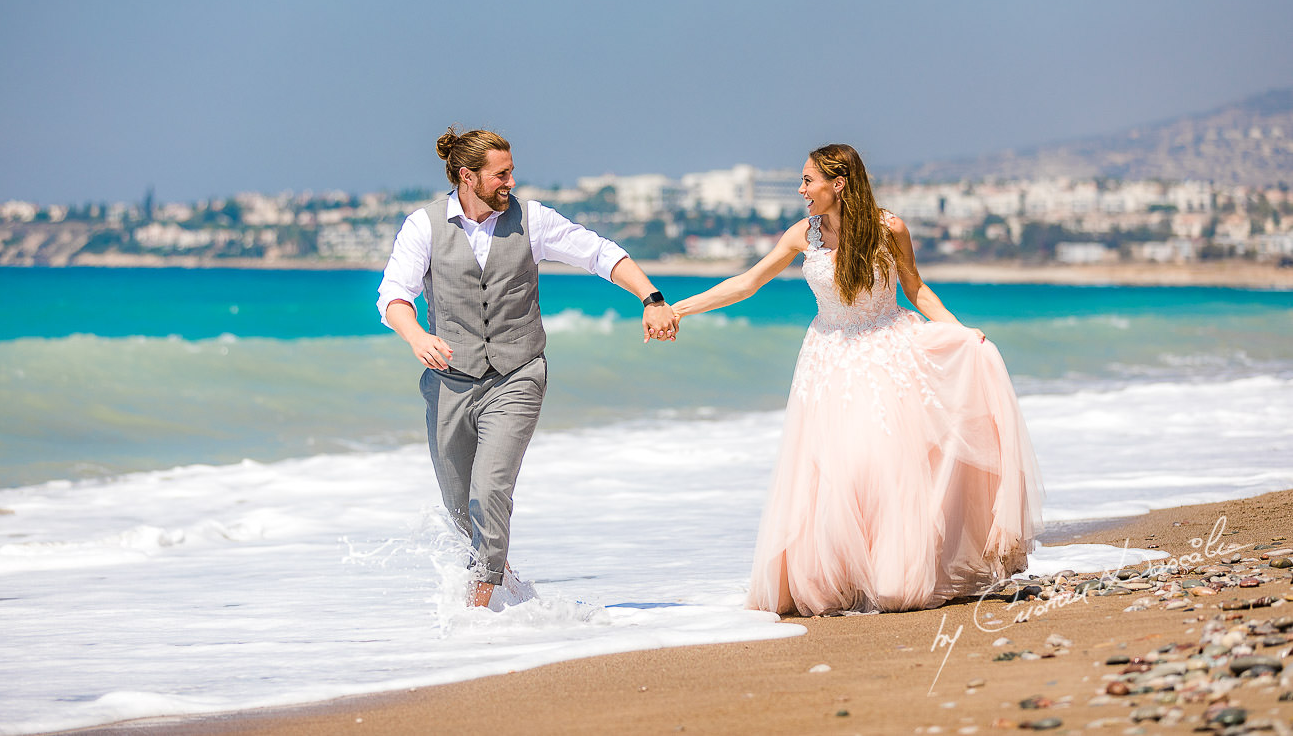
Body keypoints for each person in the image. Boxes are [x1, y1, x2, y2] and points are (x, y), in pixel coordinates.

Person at [671, 144, 1043, 615]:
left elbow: (916, 289)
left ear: (838, 184)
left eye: (808, 181)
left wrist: (958, 330)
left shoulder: (891, 230)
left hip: (887, 353)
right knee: (832, 472)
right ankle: (837, 580)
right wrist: (678, 309)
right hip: (826, 360)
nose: (801, 189)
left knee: (881, 466)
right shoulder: (802, 235)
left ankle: (892, 575)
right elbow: (746, 284)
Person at [377, 126, 678, 608]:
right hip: (450, 384)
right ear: (466, 176)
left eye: (511, 172)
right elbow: (393, 294)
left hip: (517, 375)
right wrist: (417, 335)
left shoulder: (532, 221)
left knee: (490, 489)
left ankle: (477, 613)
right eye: (501, 174)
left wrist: (652, 296)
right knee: (460, 510)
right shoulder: (423, 226)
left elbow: (598, 253)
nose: (510, 182)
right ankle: (509, 591)